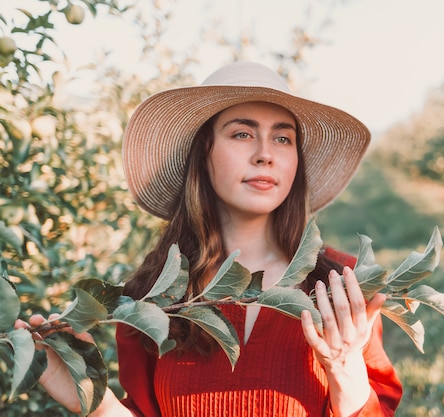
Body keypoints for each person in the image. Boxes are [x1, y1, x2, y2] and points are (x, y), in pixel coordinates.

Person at [17, 61, 402, 416]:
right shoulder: (151, 296)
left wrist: (344, 366)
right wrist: (93, 398)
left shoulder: (340, 284)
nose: (265, 154)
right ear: (204, 153)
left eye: (283, 139)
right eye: (242, 133)